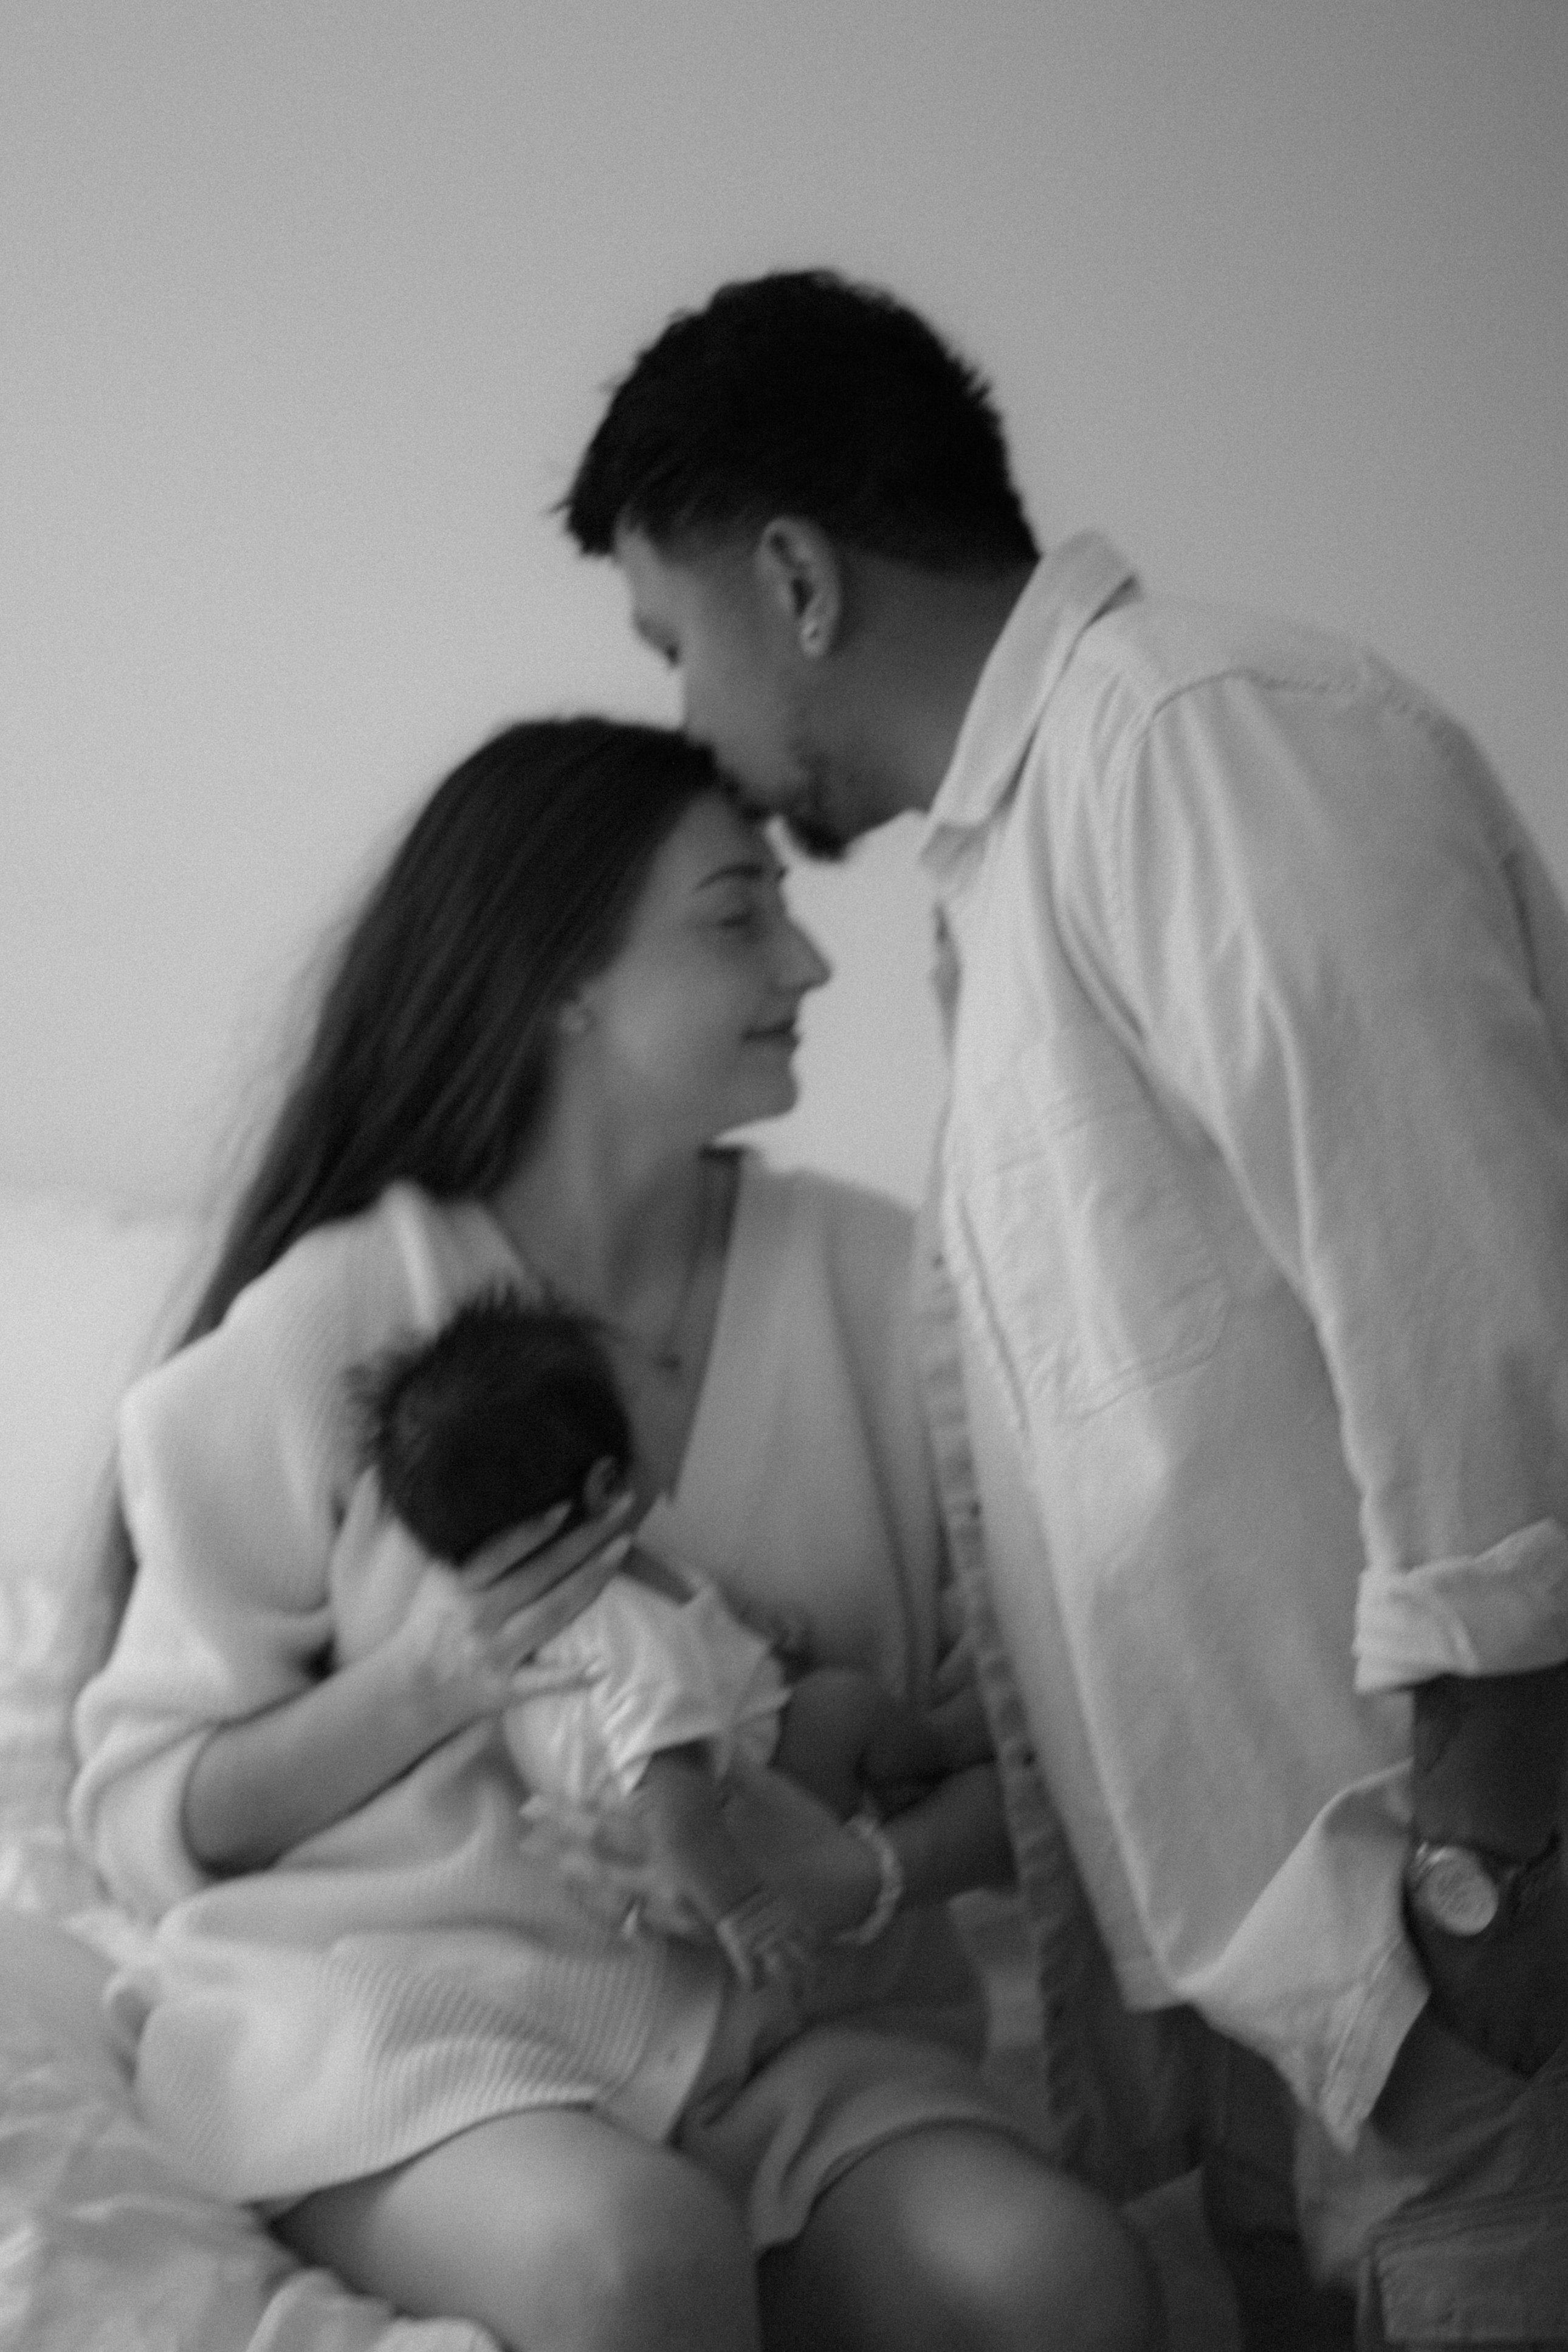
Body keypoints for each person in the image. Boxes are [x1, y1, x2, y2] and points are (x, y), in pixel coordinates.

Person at [563, 271, 1568, 2347]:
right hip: (1293, 1988)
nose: (696, 731)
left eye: (681, 650)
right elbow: (1179, 1449)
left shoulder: (1199, 746)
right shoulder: (1015, 879)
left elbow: (1463, 1295)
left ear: (795, 580)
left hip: (1442, 1954)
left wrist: (1491, 1894)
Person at [70, 716, 1158, 2352]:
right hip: (410, 2018)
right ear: (560, 976)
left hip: (787, 2036)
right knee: (632, 2264)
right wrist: (431, 1680)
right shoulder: (340, 1318)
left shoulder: (895, 1292)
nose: (803, 957)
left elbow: (1045, 1756)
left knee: (1060, 2281)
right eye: (735, 915)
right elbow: (151, 1812)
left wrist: (853, 1870)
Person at [353, 1289, 968, 1990]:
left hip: (693, 1818)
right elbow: (671, 1797)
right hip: (732, 1831)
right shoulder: (627, 1631)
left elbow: (684, 1619)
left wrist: (751, 1624)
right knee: (842, 1705)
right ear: (606, 1481)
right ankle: (947, 1753)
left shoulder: (548, 1618)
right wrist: (748, 1909)